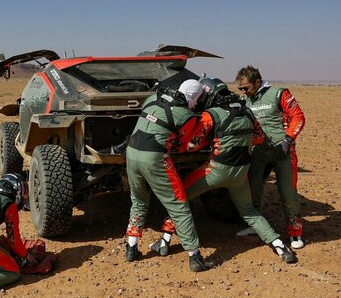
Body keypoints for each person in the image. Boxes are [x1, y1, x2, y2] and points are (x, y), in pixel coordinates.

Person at [149, 78, 296, 264]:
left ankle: (165, 241)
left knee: (179, 198)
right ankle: (281, 247)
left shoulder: (211, 115)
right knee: (249, 211)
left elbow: (192, 144)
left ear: (210, 95)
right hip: (241, 174)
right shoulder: (248, 112)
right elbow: (258, 138)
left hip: (216, 171)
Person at [125, 78, 214, 272]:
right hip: (154, 158)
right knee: (178, 204)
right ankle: (195, 257)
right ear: (196, 97)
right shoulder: (187, 116)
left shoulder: (151, 99)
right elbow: (185, 145)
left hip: (131, 153)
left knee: (139, 200)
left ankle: (131, 247)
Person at [235, 66, 306, 249]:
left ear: (257, 82)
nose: (243, 92)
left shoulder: (279, 94)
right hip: (258, 153)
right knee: (253, 190)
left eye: (246, 88)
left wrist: (287, 141)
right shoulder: (244, 100)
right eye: (240, 88)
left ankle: (294, 232)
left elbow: (298, 117)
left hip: (283, 152)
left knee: (288, 192)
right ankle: (254, 226)